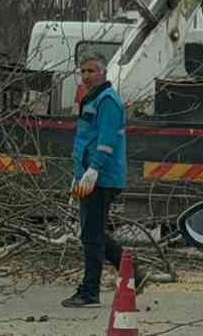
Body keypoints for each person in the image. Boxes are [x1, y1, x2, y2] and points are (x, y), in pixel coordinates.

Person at [62, 55, 142, 308]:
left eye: (91, 71)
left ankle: (90, 292)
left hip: (101, 177)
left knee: (92, 236)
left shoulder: (108, 101)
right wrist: (79, 171)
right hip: (90, 175)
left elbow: (106, 140)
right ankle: (134, 274)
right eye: (82, 71)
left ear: (104, 73)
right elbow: (86, 138)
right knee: (92, 233)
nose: (86, 75)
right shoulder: (94, 99)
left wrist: (93, 169)